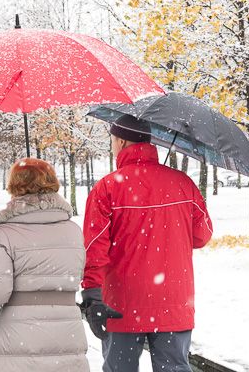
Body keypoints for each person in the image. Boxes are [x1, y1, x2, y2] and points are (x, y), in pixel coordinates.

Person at [81, 114, 213, 372]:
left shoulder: (107, 188)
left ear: (120, 141)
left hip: (121, 304)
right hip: (173, 303)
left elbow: (94, 247)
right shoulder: (183, 183)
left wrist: (92, 295)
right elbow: (202, 235)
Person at [0, 158, 88, 372]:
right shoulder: (73, 231)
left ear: (14, 185)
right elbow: (76, 275)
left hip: (19, 336)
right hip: (66, 334)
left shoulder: (4, 233)